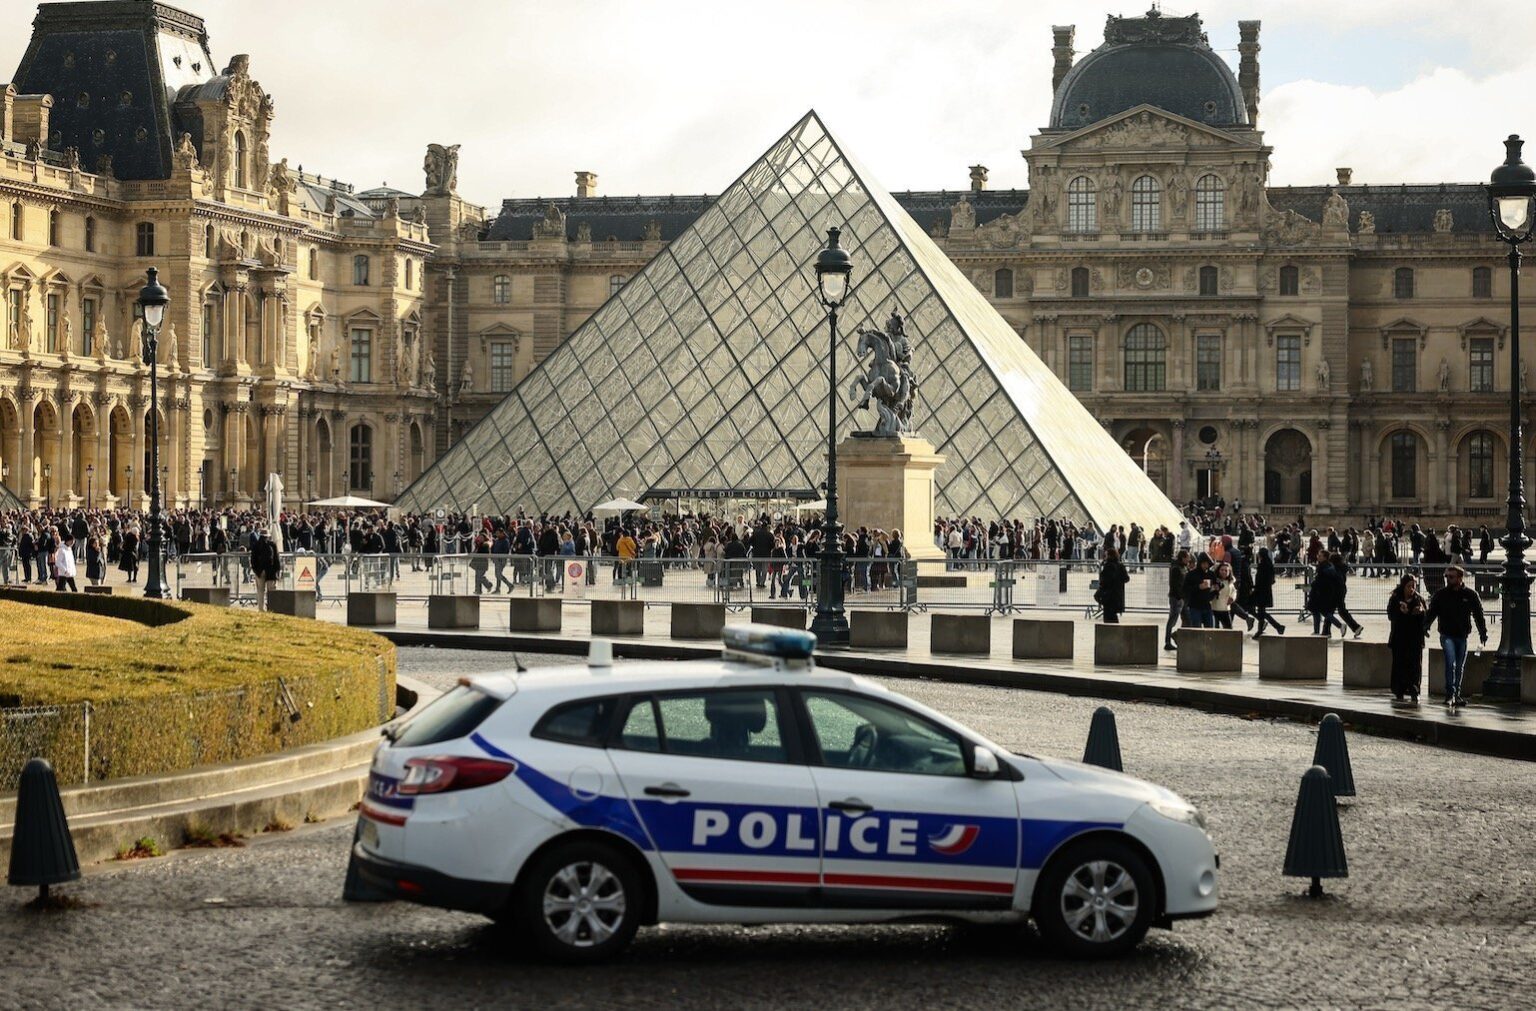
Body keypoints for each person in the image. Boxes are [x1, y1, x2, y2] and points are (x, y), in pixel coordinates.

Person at [1425, 565, 1487, 708]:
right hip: (1446, 635)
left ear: (1460, 578)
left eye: (1451, 577)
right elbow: (1432, 612)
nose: (1448, 579)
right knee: (1450, 662)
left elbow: (1478, 614)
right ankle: (1449, 694)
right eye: (1446, 576)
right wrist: (1425, 626)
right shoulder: (1440, 595)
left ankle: (1456, 694)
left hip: (1462, 635)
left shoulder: (1470, 595)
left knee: (1459, 666)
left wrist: (1483, 632)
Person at [1386, 572, 1428, 702]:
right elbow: (1390, 615)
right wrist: (1400, 612)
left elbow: (1426, 618)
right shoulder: (1395, 598)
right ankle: (1399, 690)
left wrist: (1421, 613)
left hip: (1415, 638)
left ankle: (1414, 689)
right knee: (1399, 664)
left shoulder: (1419, 599)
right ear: (1403, 586)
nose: (1411, 589)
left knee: (1415, 665)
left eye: (1413, 586)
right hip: (1399, 637)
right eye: (1409, 586)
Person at [1249, 547, 1286, 638]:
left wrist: (1254, 588)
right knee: (1262, 612)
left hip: (1261, 591)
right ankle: (1275, 627)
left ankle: (1272, 627)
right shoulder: (1269, 564)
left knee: (1260, 611)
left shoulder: (1262, 565)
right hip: (1265, 591)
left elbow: (1260, 580)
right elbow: (1272, 580)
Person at [1182, 553, 1218, 629]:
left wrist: (1216, 589)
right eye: (1204, 563)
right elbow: (1185, 589)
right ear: (1200, 563)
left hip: (1207, 605)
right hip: (1195, 605)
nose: (1206, 566)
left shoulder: (1211, 574)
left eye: (1207, 564)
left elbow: (1217, 585)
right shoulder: (1191, 574)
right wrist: (1198, 587)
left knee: (1210, 629)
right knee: (1196, 629)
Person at [1164, 550, 1191, 650]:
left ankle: (1176, 635)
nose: (1189, 559)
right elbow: (1175, 584)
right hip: (1177, 598)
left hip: (1181, 598)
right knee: (1172, 619)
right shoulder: (1177, 568)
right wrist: (1181, 595)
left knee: (1187, 620)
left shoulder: (1183, 568)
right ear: (1183, 558)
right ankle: (1167, 641)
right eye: (1187, 557)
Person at [1096, 547, 1129, 623]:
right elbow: (1126, 578)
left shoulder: (1108, 566)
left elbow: (1104, 581)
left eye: (1106, 555)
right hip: (1117, 594)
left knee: (1108, 617)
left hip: (1108, 595)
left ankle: (1110, 634)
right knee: (1113, 617)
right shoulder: (1120, 566)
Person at [251, 529, 281, 611]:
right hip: (271, 571)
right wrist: (278, 571)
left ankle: (261, 609)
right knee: (271, 591)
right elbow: (276, 559)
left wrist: (256, 570)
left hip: (260, 571)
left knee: (260, 591)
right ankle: (271, 608)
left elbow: (253, 560)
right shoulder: (272, 545)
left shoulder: (256, 545)